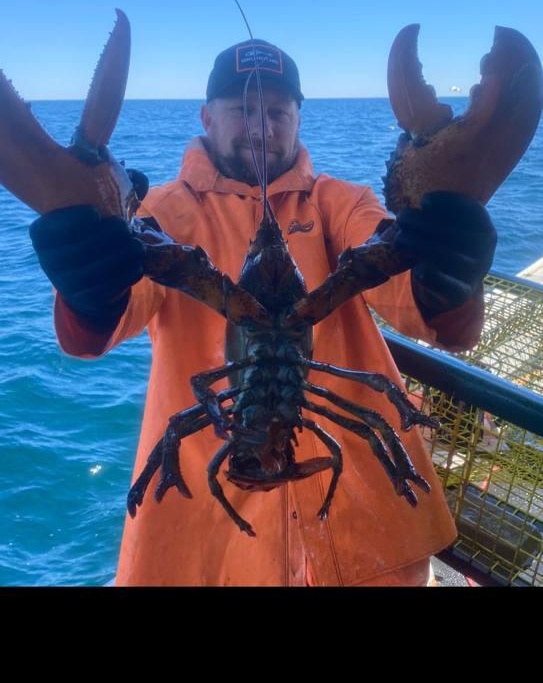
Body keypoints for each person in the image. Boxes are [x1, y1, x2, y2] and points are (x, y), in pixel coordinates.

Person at [30, 40, 497, 586]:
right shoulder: (160, 214)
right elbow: (98, 328)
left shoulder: (340, 202)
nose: (261, 126)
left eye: (277, 112)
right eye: (242, 110)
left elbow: (418, 302)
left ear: (299, 119)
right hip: (213, 545)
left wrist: (444, 269)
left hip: (364, 535)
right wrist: (90, 278)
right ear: (206, 117)